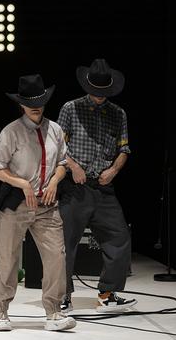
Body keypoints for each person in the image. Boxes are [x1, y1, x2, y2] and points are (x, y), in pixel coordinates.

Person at [0, 74, 76, 332]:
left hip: (47, 205)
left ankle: (54, 312)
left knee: (56, 257)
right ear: (21, 104)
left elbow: (62, 163)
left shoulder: (55, 130)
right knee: (7, 259)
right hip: (17, 204)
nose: (35, 106)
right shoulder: (11, 132)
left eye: (39, 101)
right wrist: (23, 183)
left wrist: (55, 181)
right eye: (30, 103)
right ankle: (1, 312)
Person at [57, 58, 136, 313]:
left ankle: (107, 293)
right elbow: (58, 146)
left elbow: (124, 149)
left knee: (119, 237)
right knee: (65, 242)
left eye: (104, 91)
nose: (99, 95)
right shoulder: (71, 108)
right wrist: (73, 166)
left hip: (103, 187)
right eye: (95, 90)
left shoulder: (118, 113)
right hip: (75, 186)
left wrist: (114, 170)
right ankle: (62, 295)